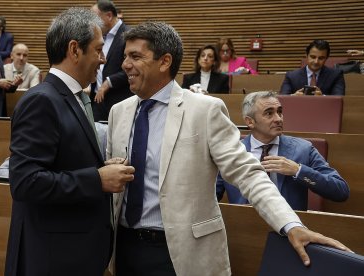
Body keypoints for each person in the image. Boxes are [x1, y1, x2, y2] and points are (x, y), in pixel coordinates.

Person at [106, 21, 349, 276]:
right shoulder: (118, 112)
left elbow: (248, 173)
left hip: (180, 253)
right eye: (124, 56)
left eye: (135, 56)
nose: (124, 65)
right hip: (123, 249)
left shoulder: (204, 110)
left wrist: (290, 225)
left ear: (164, 61)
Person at [4, 7, 134, 276]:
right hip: (52, 258)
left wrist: (99, 166)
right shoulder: (42, 100)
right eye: (98, 50)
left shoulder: (73, 96)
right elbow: (26, 182)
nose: (103, 59)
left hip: (74, 254)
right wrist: (97, 179)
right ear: (75, 50)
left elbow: (63, 160)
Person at [216, 91, 350, 210]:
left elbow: (341, 191)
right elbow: (212, 195)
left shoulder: (303, 149)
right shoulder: (232, 152)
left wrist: (298, 170)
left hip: (289, 232)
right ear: (250, 122)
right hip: (245, 228)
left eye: (279, 111)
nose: (278, 119)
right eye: (269, 113)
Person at [90, 0, 132, 121]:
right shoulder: (98, 36)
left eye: (95, 17)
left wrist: (108, 82)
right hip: (97, 101)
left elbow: (133, 68)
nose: (92, 22)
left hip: (119, 101)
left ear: (108, 16)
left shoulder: (129, 34)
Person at [280, 40, 345, 95]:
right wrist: (293, 97)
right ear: (306, 55)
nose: (316, 61)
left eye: (321, 58)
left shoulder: (336, 75)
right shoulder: (291, 76)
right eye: (313, 57)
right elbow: (282, 99)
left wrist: (322, 98)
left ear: (326, 58)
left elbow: (338, 100)